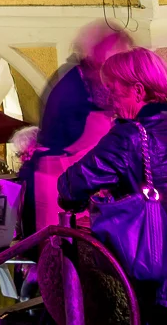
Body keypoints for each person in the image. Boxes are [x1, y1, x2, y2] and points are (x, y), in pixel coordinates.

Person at [58, 47, 167, 321]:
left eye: (113, 90)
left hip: (157, 277)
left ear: (138, 91)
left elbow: (70, 186)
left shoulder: (129, 137)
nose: (108, 100)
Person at [35, 22, 134, 227]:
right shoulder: (72, 87)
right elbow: (75, 144)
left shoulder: (95, 84)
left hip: (82, 184)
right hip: (60, 183)